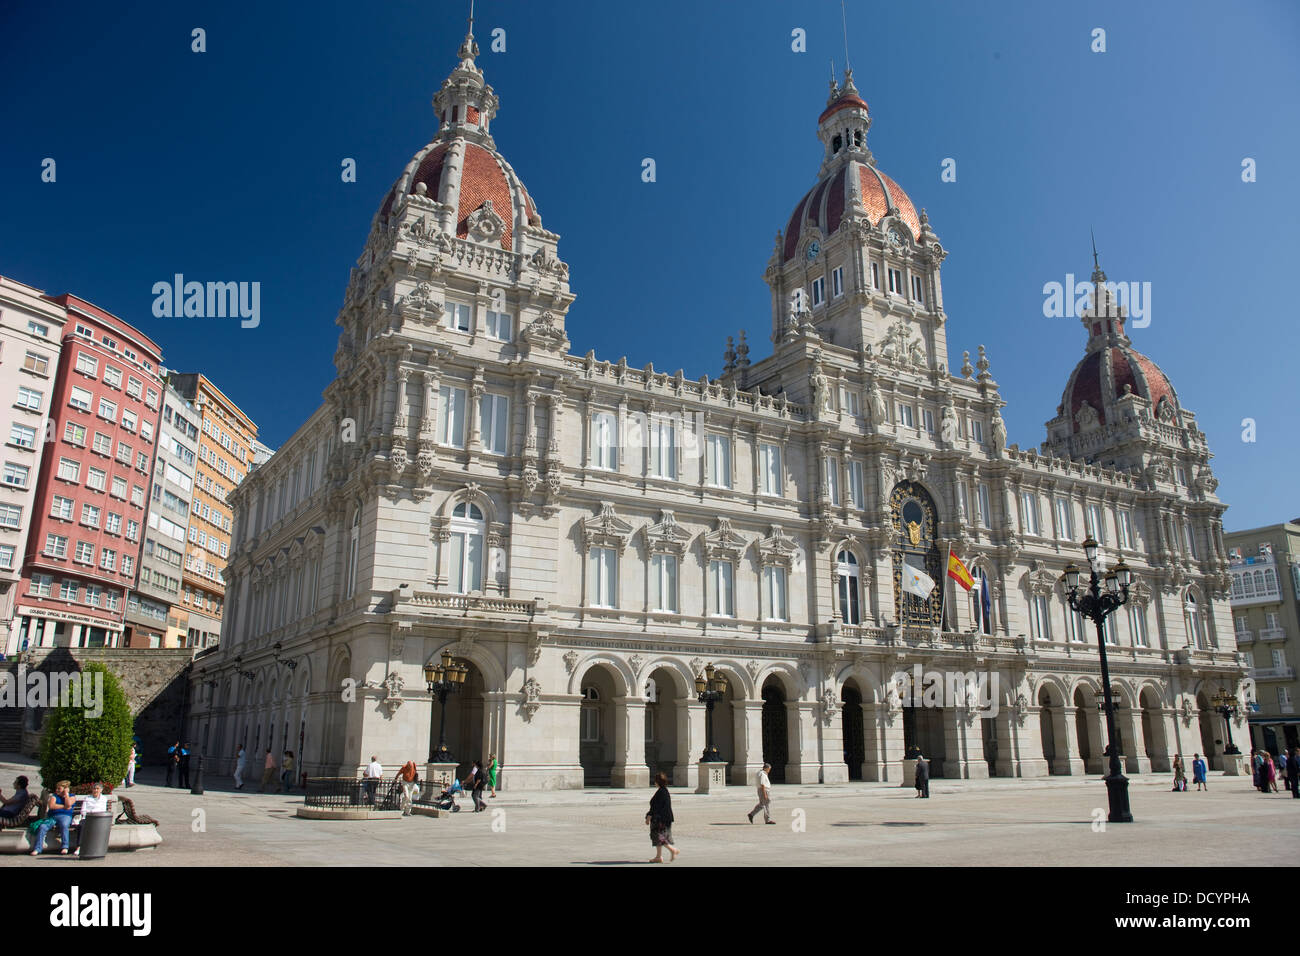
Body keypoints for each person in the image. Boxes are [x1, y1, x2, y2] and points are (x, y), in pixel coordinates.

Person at [30, 780, 77, 856]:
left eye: (59, 788)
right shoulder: (54, 796)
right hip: (53, 816)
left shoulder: (72, 796)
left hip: (65, 816)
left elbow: (68, 804)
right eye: (57, 788)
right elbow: (52, 806)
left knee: (64, 825)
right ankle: (37, 848)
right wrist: (64, 807)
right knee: (42, 827)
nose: (57, 790)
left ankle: (65, 846)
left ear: (65, 789)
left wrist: (66, 795)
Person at [646, 773, 679, 863]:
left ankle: (673, 850)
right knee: (659, 837)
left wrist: (649, 815)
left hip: (661, 819)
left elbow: (656, 807)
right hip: (664, 818)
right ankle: (658, 856)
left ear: (657, 782)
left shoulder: (661, 792)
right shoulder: (663, 791)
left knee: (659, 837)